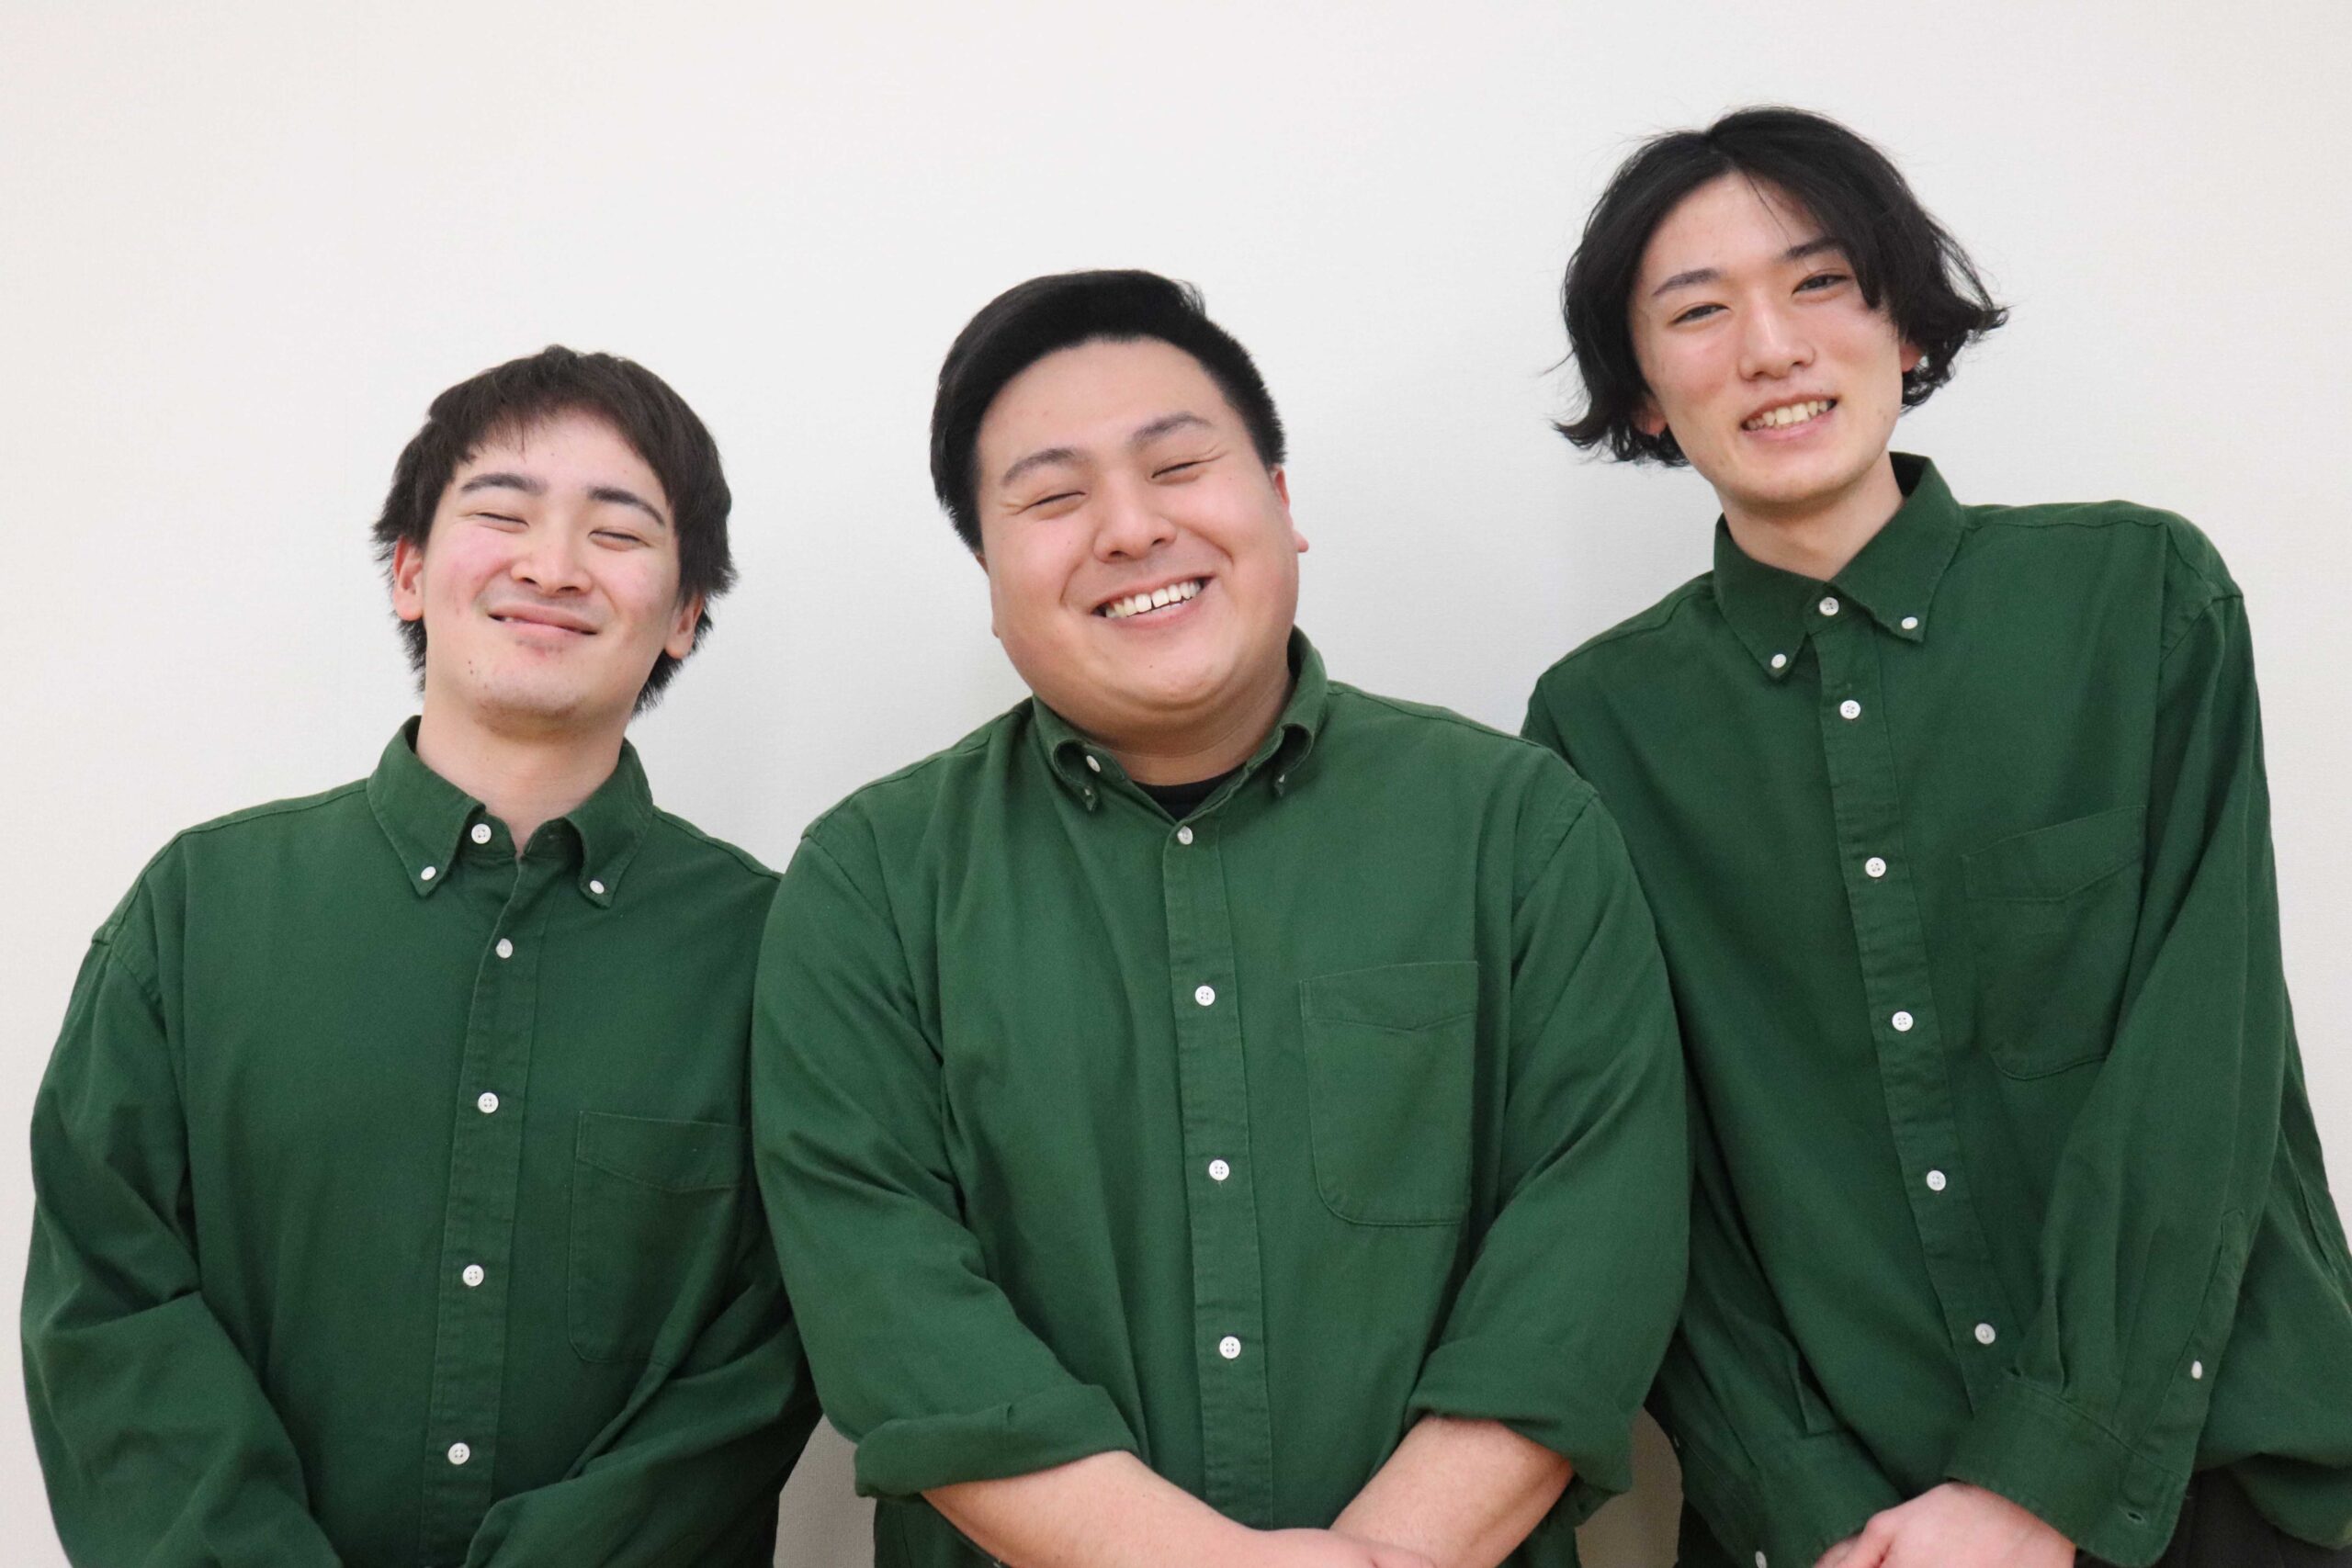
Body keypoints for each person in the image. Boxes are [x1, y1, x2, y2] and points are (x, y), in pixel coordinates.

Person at [754, 269, 1687, 1568]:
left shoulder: (1521, 827)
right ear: (989, 574)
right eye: (1053, 498)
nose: (1131, 528)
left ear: (1283, 508)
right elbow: (893, 1314)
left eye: (1178, 467)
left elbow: (1589, 1256)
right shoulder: (868, 883)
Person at [1524, 107, 2352, 1568]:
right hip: (1840, 1533)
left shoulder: (2138, 599)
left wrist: (2040, 1481)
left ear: (1905, 324)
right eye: (1698, 313)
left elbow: (2200, 1070)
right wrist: (1809, 1506)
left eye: (1821, 283)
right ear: (1643, 395)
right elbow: (1652, 1174)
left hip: (2221, 1480)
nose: (1772, 347)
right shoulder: (1600, 727)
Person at [23, 346, 817, 1566]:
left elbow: (769, 1353)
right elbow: (109, 1302)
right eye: (502, 514)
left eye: (617, 533)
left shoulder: (779, 955)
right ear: (407, 570)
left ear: (684, 614)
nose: (552, 566)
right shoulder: (199, 909)